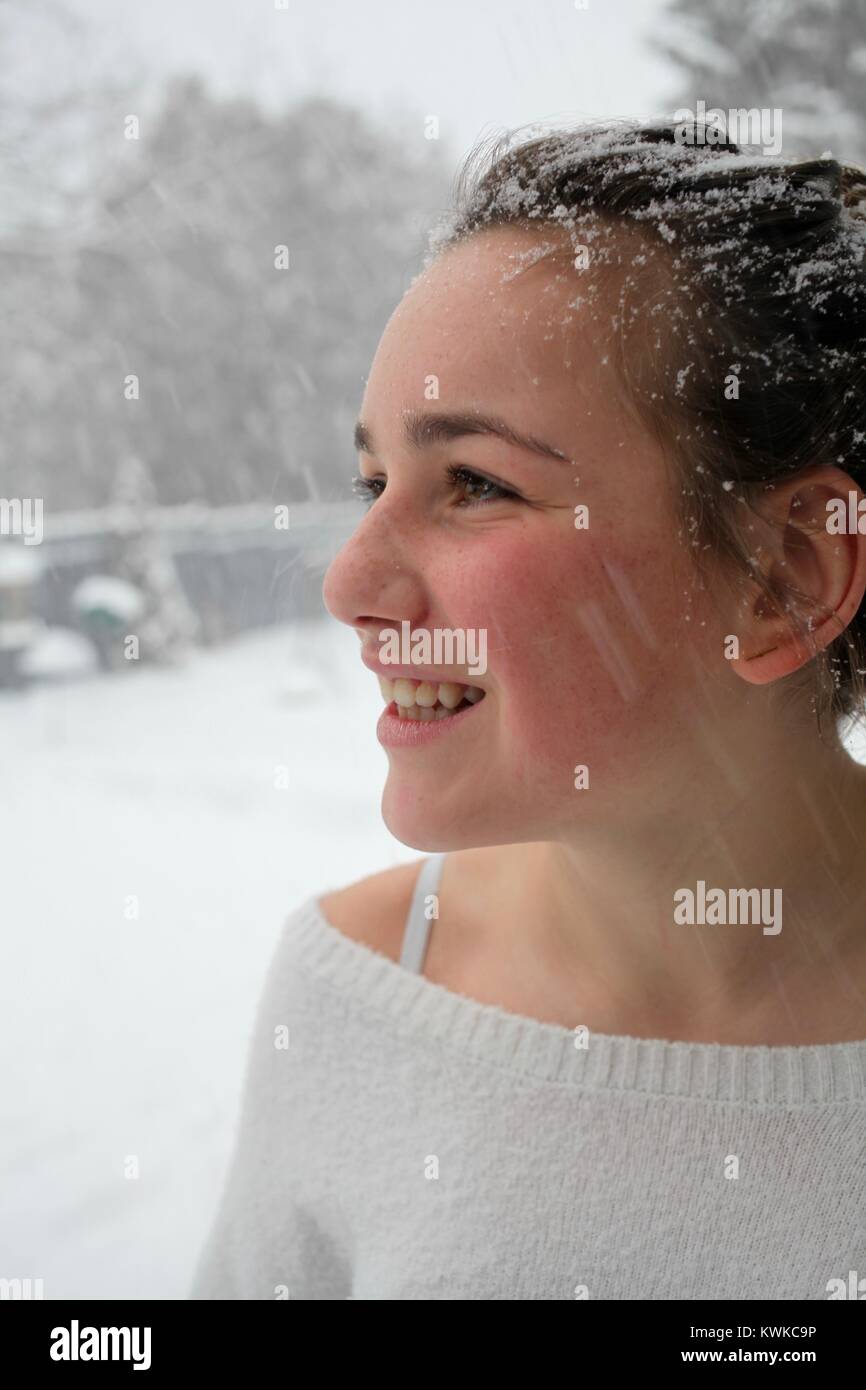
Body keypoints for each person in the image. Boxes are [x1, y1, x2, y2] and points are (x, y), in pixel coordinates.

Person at [190, 120, 866, 1300]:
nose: (348, 585)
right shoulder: (355, 993)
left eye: (476, 484)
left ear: (784, 578)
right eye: (372, 484)